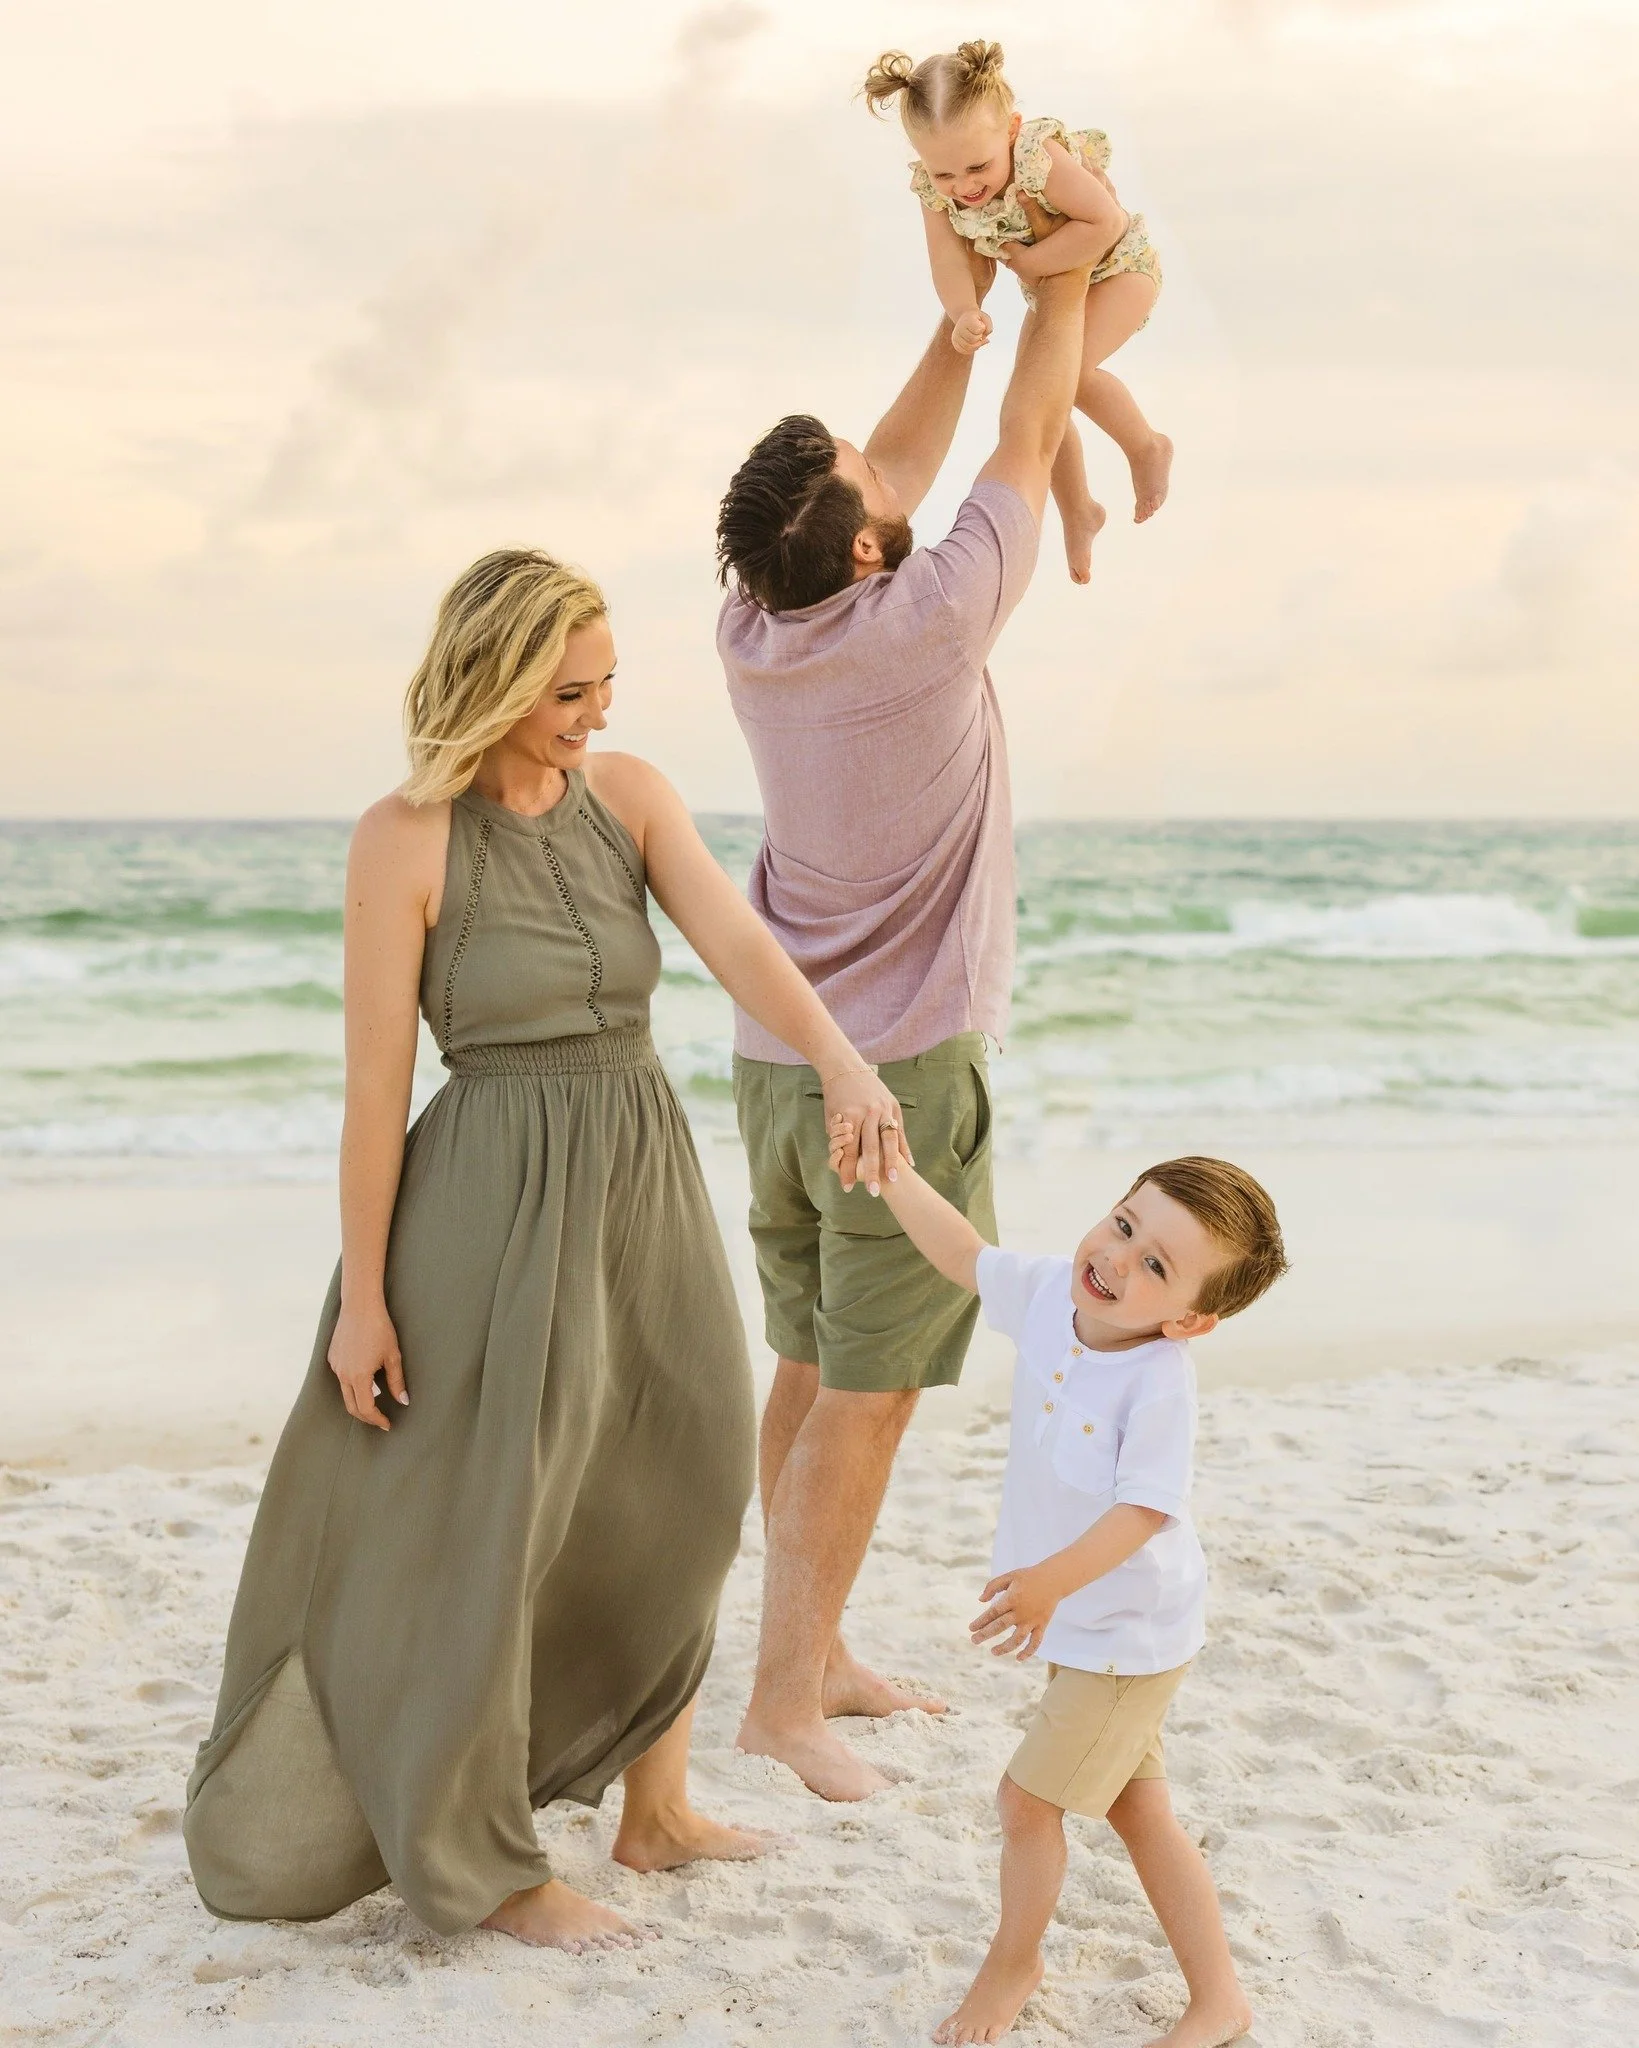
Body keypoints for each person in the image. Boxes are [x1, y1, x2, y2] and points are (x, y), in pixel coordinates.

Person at [183, 549, 906, 1950]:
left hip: (637, 1174)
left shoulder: (625, 799)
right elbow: (375, 1094)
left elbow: (738, 945)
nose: (591, 713)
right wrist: (364, 1299)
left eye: (605, 686)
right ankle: (498, 1868)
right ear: (496, 679)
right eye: (566, 691)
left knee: (686, 1474)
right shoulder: (401, 837)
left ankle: (658, 1809)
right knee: (492, 1524)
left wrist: (839, 1063)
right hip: (482, 1208)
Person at [713, 216, 1094, 1799]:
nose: (890, 477)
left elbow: (897, 457)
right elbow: (1026, 427)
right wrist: (1061, 265)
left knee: (804, 1369)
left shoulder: (754, 624)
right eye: (874, 493)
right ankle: (782, 1701)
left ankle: (817, 1656)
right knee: (862, 1403)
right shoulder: (930, 621)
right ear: (872, 549)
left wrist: (951, 331)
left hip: (771, 1064)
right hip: (898, 1079)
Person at [833, 1128, 1286, 2047]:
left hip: (1126, 1630)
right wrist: (894, 1174)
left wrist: (1046, 1584)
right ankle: (1219, 1998)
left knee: (1026, 1803)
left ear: (1191, 1318)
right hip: (1082, 1621)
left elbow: (1143, 1512)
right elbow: (962, 1253)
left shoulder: (1157, 1380)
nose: (1114, 1259)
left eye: (1154, 1264)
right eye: (1122, 1223)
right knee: (1136, 1804)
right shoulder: (1048, 1293)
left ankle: (1014, 1963)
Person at [864, 39, 1172, 583]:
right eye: (945, 176)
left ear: (1011, 129)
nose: (964, 188)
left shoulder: (1036, 157)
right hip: (1055, 284)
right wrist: (962, 311)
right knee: (1036, 392)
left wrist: (1033, 262)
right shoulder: (935, 190)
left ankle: (1146, 445)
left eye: (977, 167)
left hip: (1121, 270)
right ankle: (1079, 511)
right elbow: (946, 260)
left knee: (1069, 378)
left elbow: (1107, 223)